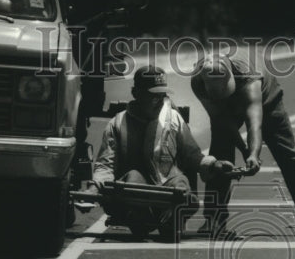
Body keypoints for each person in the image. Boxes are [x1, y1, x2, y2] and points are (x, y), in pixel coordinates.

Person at [190, 50, 295, 237]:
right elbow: (221, 121)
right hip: (226, 109)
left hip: (266, 101)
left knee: (288, 156)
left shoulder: (249, 80)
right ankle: (214, 220)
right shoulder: (198, 81)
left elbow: (254, 124)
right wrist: (243, 149)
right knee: (220, 157)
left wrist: (253, 155)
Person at [83, 65, 223, 199]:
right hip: (133, 194)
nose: (161, 102)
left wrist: (212, 164)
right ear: (136, 93)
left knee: (180, 182)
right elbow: (106, 164)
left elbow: (192, 155)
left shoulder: (173, 118)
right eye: (154, 96)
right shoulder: (117, 123)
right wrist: (94, 187)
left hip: (168, 187)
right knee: (133, 177)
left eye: (163, 96)